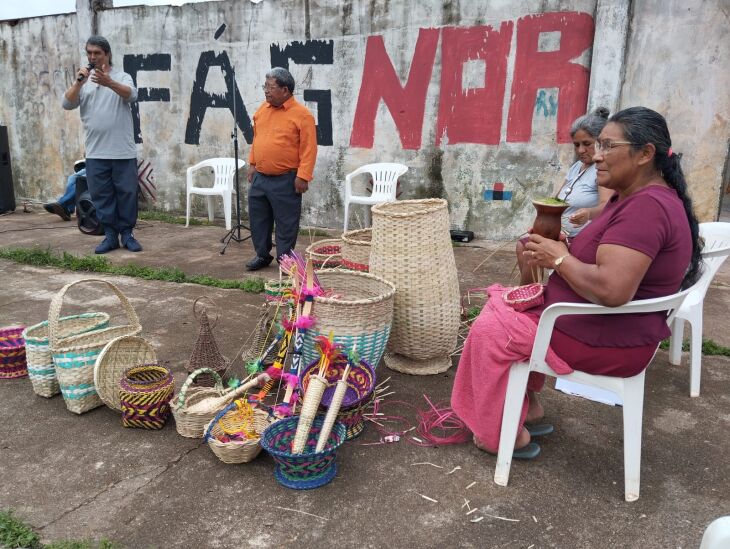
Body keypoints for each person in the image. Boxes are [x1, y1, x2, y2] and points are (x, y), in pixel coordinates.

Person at [452, 107, 703, 459]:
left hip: (606, 338)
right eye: (595, 145)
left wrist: (558, 258)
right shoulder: (632, 198)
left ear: (645, 154)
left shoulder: (646, 208)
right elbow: (608, 260)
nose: (596, 156)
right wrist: (558, 249)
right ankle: (529, 409)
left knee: (492, 328)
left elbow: (611, 290)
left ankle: (497, 435)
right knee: (505, 304)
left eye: (607, 146)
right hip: (601, 324)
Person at [62, 35, 141, 254]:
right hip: (96, 152)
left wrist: (109, 82)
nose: (92, 57)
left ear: (107, 54)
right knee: (101, 196)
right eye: (89, 53)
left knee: (127, 194)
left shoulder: (122, 76)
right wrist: (79, 82)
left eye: (97, 53)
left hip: (122, 152)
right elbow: (67, 103)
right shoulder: (83, 82)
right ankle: (109, 236)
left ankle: (127, 234)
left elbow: (132, 95)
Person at [516, 107, 613, 285]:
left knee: (531, 250)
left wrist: (589, 214)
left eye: (587, 143)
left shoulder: (601, 170)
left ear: (600, 143)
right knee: (525, 245)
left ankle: (527, 298)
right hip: (561, 232)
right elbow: (558, 199)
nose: (581, 150)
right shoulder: (576, 168)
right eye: (576, 145)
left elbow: (608, 206)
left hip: (581, 237)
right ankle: (529, 294)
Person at [245, 67, 317, 271]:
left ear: (285, 90)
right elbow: (257, 139)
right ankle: (262, 254)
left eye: (270, 87)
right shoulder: (262, 110)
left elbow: (309, 149)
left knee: (286, 223)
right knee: (258, 219)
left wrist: (303, 176)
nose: (266, 91)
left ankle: (285, 260)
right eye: (265, 86)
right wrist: (252, 164)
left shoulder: (302, 115)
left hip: (287, 179)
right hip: (260, 177)